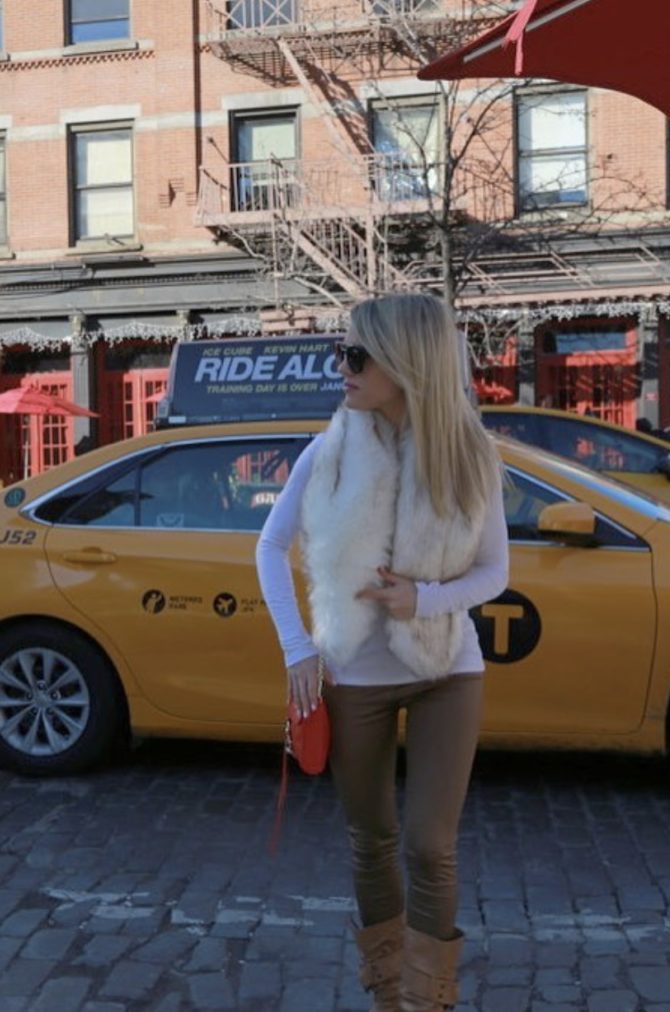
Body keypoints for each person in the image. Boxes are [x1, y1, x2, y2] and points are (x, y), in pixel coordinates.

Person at [256, 293, 509, 1011]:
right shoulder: (331, 448)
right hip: (353, 677)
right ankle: (389, 997)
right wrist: (297, 648)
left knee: (432, 845)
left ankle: (429, 1003)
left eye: (358, 355)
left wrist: (421, 600)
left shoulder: (468, 452)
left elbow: (496, 571)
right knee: (371, 839)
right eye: (343, 352)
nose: (343, 367)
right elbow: (270, 546)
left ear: (406, 362)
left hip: (445, 668)